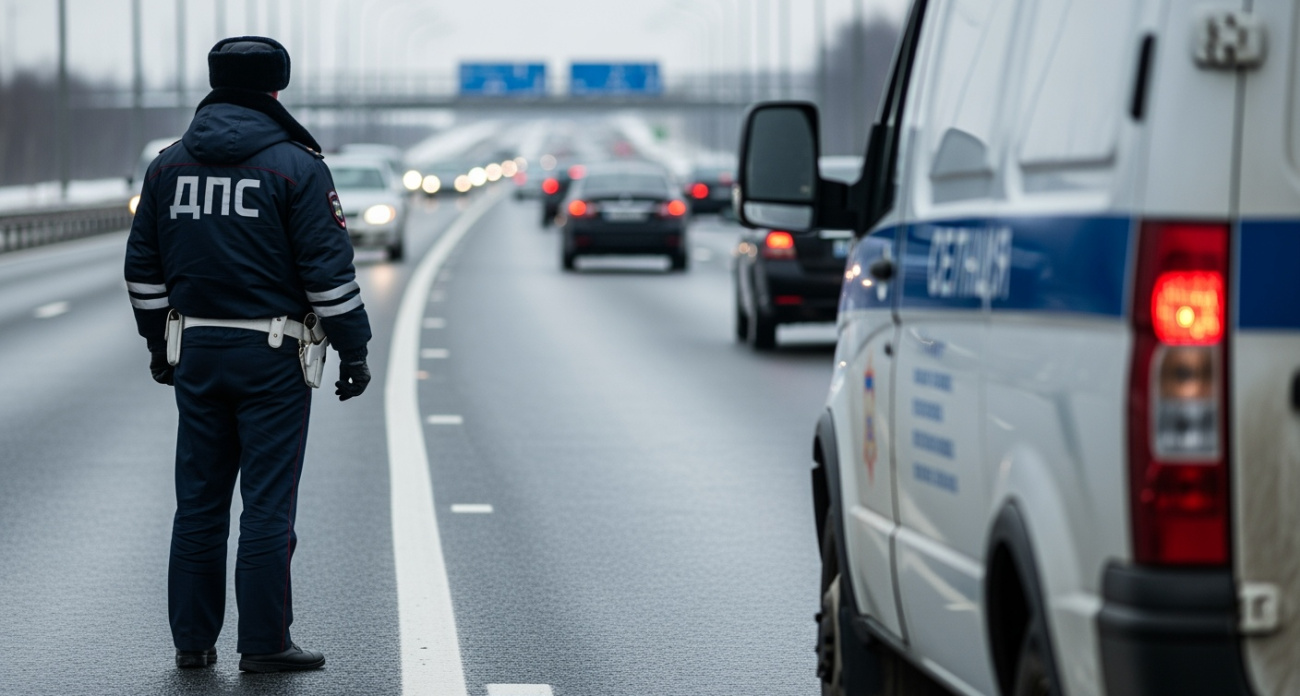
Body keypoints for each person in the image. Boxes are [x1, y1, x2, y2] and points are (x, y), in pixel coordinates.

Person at [124, 36, 372, 673]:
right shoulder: (296, 166)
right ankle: (264, 644)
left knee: (199, 502)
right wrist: (355, 349)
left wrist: (159, 343)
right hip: (273, 354)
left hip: (197, 349)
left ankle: (192, 644)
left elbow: (143, 271)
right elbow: (328, 275)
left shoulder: (168, 166)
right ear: (277, 89)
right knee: (267, 503)